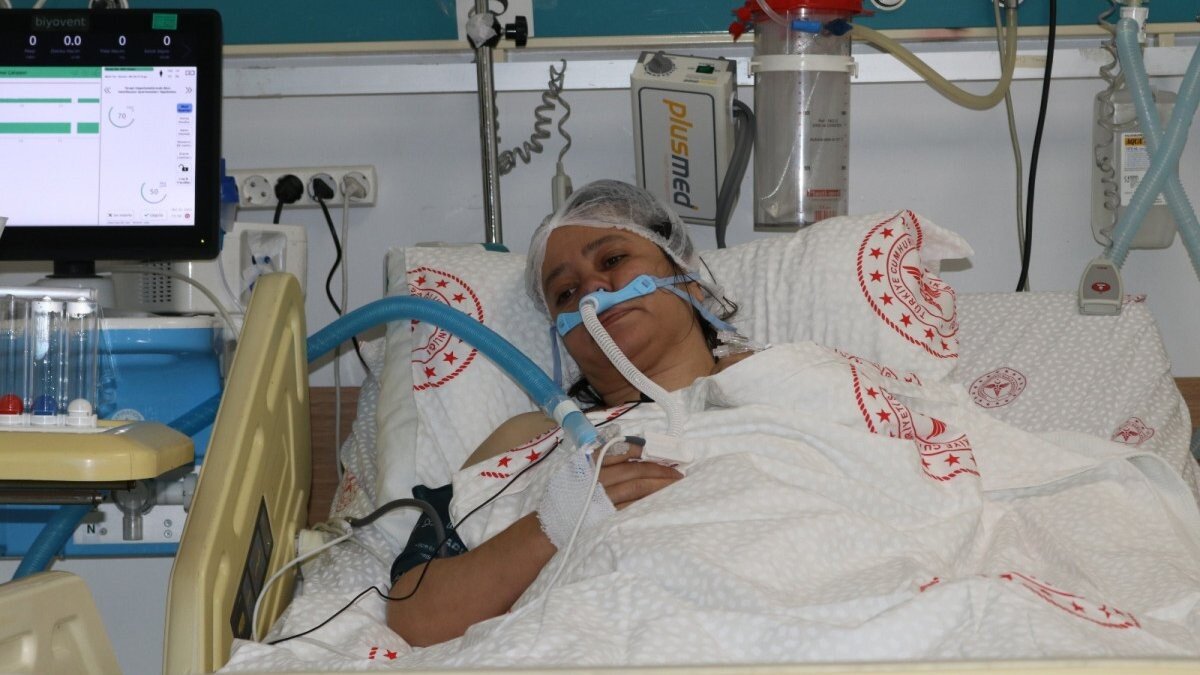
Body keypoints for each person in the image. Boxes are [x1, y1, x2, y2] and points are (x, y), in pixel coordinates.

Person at [386, 179, 751, 647]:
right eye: (565, 292)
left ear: (691, 283)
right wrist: (555, 523)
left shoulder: (794, 376)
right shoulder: (531, 439)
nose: (591, 290)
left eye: (612, 260)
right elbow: (415, 615)